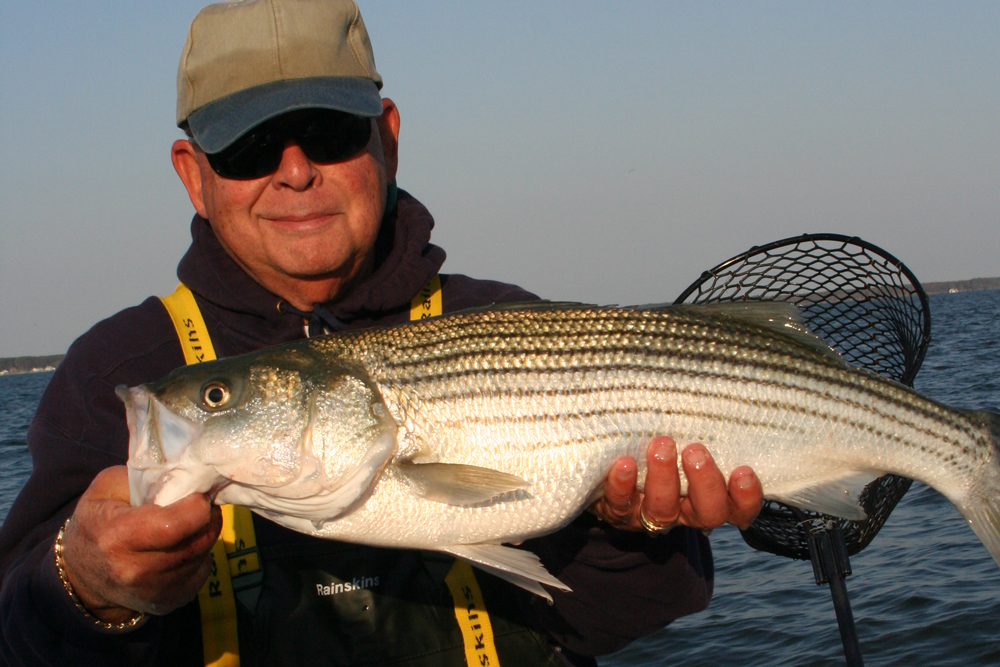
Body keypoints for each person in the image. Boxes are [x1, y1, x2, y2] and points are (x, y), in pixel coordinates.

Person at [0, 1, 763, 665]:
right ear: (192, 174)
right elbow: (16, 633)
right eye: (248, 148)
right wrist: (84, 587)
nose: (295, 172)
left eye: (328, 132)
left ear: (387, 139)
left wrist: (627, 529)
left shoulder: (511, 325)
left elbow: (629, 614)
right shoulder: (118, 370)